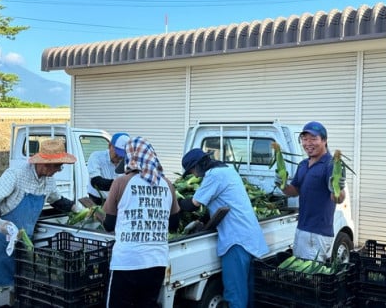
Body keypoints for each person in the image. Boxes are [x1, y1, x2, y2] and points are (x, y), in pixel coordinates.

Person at [0, 138, 84, 308]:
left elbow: (56, 200)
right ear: (45, 164)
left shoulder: (48, 181)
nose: (59, 170)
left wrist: (76, 209)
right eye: (58, 166)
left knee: (19, 276)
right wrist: (0, 223)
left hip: (22, 235)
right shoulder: (16, 175)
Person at [179, 148, 269, 308]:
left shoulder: (214, 176)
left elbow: (194, 204)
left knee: (235, 294)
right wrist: (204, 219)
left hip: (236, 241)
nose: (194, 175)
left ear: (198, 165)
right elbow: (222, 201)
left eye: (192, 170)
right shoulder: (227, 170)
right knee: (247, 291)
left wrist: (173, 202)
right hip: (249, 236)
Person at [100, 136, 180, 307]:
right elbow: (174, 225)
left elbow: (108, 225)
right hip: (157, 262)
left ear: (130, 157)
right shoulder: (168, 185)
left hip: (127, 261)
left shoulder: (120, 182)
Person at [275, 121, 346, 262]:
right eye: (305, 139)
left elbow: (337, 198)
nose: (308, 143)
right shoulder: (302, 165)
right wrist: (282, 184)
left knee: (311, 277)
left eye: (314, 139)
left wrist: (338, 188)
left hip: (317, 233)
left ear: (324, 141)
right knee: (301, 275)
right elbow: (294, 190)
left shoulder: (330, 165)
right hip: (302, 227)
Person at [86, 132, 130, 205]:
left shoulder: (127, 162)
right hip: (96, 200)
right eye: (117, 153)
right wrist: (118, 185)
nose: (119, 157)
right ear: (109, 146)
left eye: (123, 154)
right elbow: (96, 182)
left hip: (114, 200)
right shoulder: (96, 157)